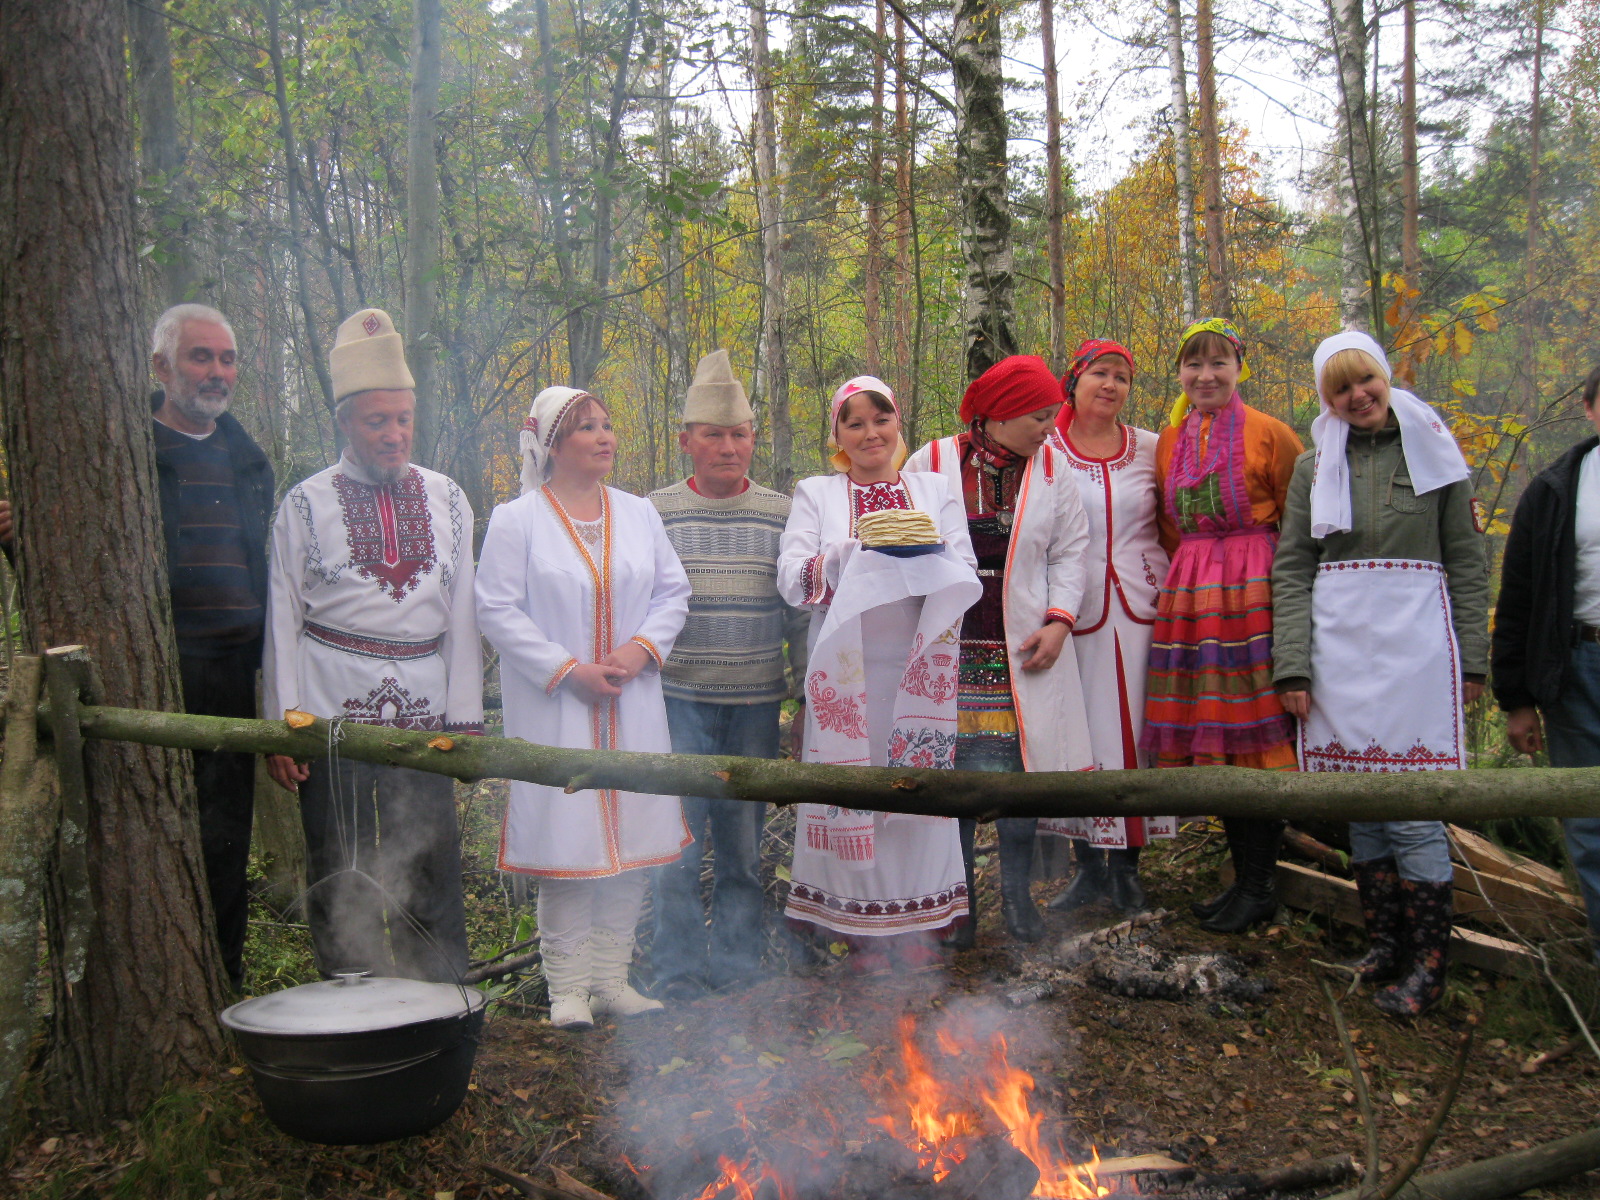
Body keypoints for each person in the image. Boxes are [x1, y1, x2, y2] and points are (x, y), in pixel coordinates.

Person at [263, 308, 482, 984]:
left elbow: (466, 616)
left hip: (425, 723)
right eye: (376, 421)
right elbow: (280, 618)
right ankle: (352, 1021)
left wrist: (465, 722)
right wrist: (283, 726)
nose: (394, 435)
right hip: (331, 723)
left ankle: (443, 1011)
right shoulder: (304, 505)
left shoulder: (449, 499)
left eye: (403, 419)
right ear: (345, 423)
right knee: (341, 878)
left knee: (431, 878)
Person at [1273, 331, 1485, 1016]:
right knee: (1361, 804)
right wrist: (1294, 666)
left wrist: (1473, 661)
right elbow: (1294, 568)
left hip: (1418, 650)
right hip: (1337, 648)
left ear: (1384, 377)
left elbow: (1468, 564)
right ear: (1326, 399)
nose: (1357, 396)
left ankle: (1428, 966)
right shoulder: (1312, 466)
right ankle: (1384, 947)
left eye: (1365, 380)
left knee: (1413, 808)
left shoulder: (1435, 452)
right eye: (1341, 388)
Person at [477, 386, 691, 1030]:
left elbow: (672, 591)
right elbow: (495, 608)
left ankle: (611, 981)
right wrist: (565, 670)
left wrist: (639, 649)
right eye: (585, 428)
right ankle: (566, 991)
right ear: (550, 446)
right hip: (558, 711)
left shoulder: (639, 514)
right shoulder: (517, 520)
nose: (604, 436)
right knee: (567, 847)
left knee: (629, 840)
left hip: (633, 700)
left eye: (606, 424)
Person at [777, 376, 980, 969]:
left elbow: (964, 565)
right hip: (845, 674)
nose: (871, 433)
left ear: (899, 424)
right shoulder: (817, 493)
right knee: (850, 789)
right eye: (855, 422)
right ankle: (845, 929)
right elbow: (792, 579)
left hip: (918, 674)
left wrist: (918, 551)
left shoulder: (934, 488)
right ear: (838, 434)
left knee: (912, 794)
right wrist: (851, 552)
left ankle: (916, 934)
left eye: (881, 419)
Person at [904, 355, 1095, 946]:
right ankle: (960, 906)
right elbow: (901, 540)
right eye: (1039, 415)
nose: (1049, 426)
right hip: (948, 644)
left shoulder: (1053, 470)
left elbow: (1071, 551)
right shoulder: (930, 462)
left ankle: (1016, 899)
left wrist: (1061, 623)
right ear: (1001, 412)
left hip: (1023, 647)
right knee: (955, 779)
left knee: (1018, 777)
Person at [647, 350, 806, 1003]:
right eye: (712, 434)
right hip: (673, 701)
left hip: (755, 705)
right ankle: (677, 972)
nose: (727, 446)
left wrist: (804, 702)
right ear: (686, 440)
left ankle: (740, 966)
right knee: (676, 847)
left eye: (739, 434)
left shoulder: (782, 512)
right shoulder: (651, 511)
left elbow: (799, 613)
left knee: (743, 846)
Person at [1143, 319, 1304, 934]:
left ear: (1239, 368)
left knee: (1255, 736)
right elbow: (1167, 523)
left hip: (1254, 593)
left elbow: (1298, 520)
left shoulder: (1271, 434)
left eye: (1218, 364)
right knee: (1217, 735)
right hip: (1193, 594)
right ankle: (1247, 880)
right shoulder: (1169, 439)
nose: (1205, 376)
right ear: (1180, 373)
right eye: (1193, 364)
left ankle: (1261, 882)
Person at [1047, 339, 1175, 913]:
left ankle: (1128, 864)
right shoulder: (1044, 446)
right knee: (1082, 731)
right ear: (1074, 380)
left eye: (1122, 376)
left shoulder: (1152, 447)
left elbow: (1177, 516)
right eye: (1100, 373)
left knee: (1134, 734)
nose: (1111, 385)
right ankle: (1087, 866)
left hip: (1145, 607)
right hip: (1069, 611)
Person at [1492, 361, 1600, 965]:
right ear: (1589, 407)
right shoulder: (1557, 489)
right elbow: (1520, 600)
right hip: (1578, 666)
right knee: (1588, 824)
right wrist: (1517, 698)